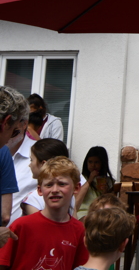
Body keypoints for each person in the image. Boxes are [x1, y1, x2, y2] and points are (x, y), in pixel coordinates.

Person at [0, 156, 88, 270]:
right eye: (49, 185)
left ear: (76, 188)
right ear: (40, 190)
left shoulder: (79, 230)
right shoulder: (21, 226)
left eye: (62, 184)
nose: (55, 190)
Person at [21, 138, 86, 217]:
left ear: (44, 164)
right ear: (39, 190)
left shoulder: (34, 199)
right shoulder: (67, 194)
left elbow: (73, 223)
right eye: (49, 185)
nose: (30, 164)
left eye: (32, 160)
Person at [0, 87, 27, 245]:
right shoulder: (4, 153)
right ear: (5, 122)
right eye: (15, 131)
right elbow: (5, 215)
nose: (11, 138)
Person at [76, 147, 115, 220]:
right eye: (90, 162)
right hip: (83, 211)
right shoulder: (81, 179)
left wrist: (105, 192)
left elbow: (111, 202)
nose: (93, 165)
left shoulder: (108, 181)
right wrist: (90, 180)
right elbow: (78, 196)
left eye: (96, 162)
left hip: (100, 212)